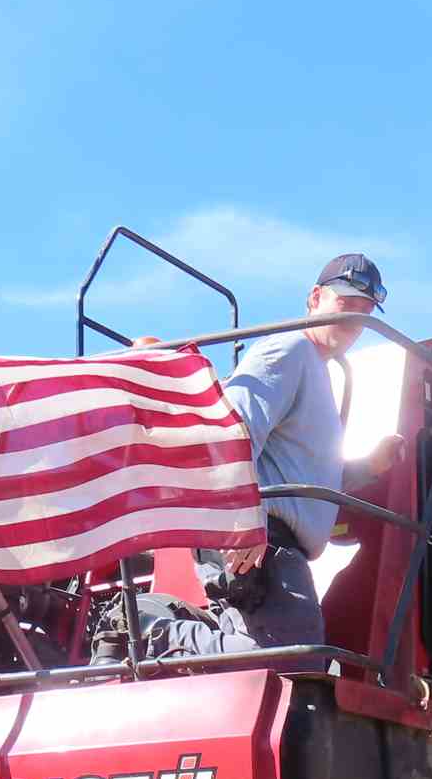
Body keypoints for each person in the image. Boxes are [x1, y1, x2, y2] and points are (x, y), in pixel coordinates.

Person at [119, 253, 403, 659]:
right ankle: (153, 631)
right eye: (346, 303)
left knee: (288, 657)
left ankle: (167, 632)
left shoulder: (318, 369)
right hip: (258, 532)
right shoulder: (287, 351)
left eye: (365, 310)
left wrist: (370, 466)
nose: (356, 318)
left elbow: (303, 475)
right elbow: (231, 436)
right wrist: (240, 521)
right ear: (315, 298)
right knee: (288, 655)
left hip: (270, 538)